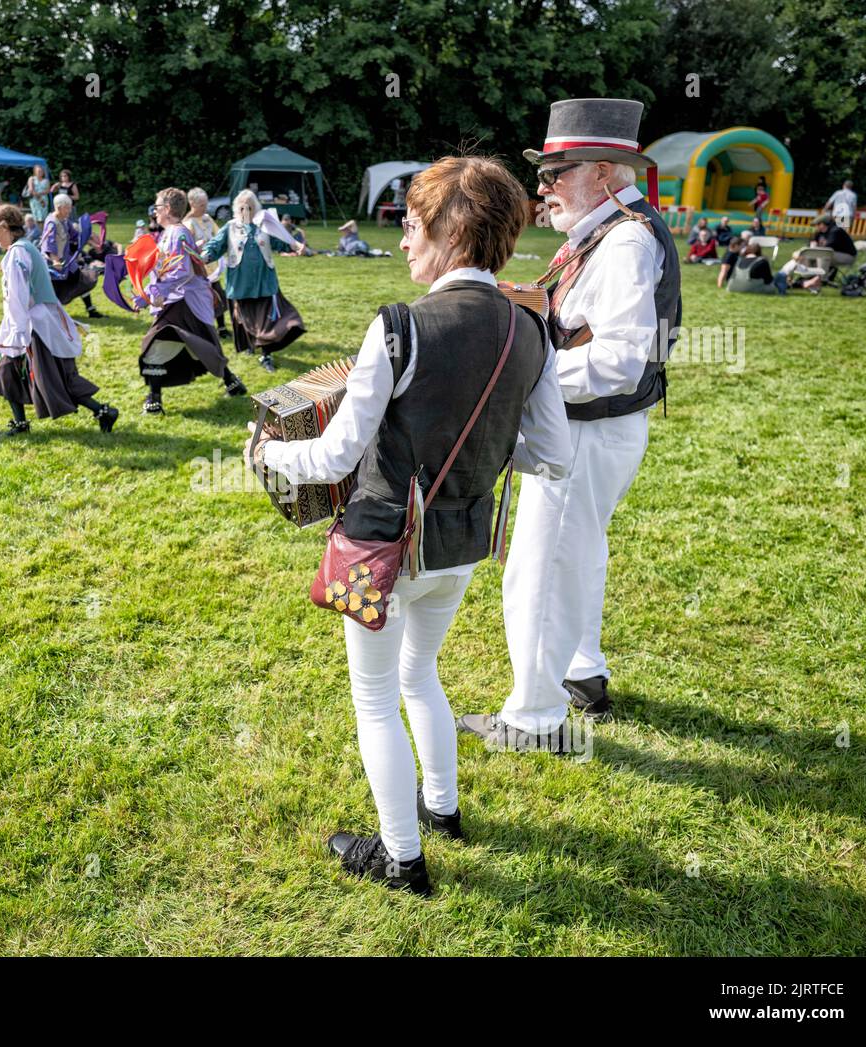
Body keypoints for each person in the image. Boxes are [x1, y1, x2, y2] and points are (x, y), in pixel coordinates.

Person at [248, 154, 571, 895]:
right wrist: (485, 441)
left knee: (374, 699)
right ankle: (443, 809)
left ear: (454, 233)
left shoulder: (399, 326)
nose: (402, 240)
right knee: (421, 674)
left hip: (382, 547)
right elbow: (552, 454)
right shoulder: (532, 332)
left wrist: (271, 450)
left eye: (415, 226)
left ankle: (402, 858)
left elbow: (336, 450)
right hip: (459, 549)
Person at [460, 97, 681, 746]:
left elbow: (617, 361)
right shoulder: (612, 232)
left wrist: (523, 383)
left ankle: (533, 718)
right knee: (576, 555)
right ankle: (583, 672)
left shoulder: (626, 243)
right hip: (595, 429)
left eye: (558, 173)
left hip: (587, 428)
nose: (543, 187)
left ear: (607, 176)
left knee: (541, 568)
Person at [0, 204, 118, 436]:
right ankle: (20, 424)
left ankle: (103, 411)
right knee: (10, 370)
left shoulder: (18, 253)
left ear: (5, 226)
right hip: (37, 321)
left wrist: (17, 333)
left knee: (54, 377)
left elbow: (18, 296)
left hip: (33, 325)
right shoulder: (23, 249)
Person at [135, 187, 247, 413]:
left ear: (167, 209)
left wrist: (154, 292)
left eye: (157, 207)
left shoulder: (177, 233)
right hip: (180, 299)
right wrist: (148, 290)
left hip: (185, 301)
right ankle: (232, 382)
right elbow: (165, 268)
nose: (154, 212)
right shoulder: (170, 233)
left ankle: (154, 399)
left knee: (156, 344)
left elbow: (181, 271)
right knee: (199, 344)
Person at [201, 189, 306, 374]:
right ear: (236, 208)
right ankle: (252, 345)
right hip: (241, 284)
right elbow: (216, 246)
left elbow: (281, 241)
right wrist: (206, 255)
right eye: (242, 207)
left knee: (267, 321)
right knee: (247, 319)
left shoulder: (265, 225)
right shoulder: (231, 227)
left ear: (256, 208)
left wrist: (295, 245)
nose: (245, 210)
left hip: (264, 282)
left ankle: (266, 354)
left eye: (249, 207)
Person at [40, 194, 102, 318]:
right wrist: (55, 260)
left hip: (67, 261)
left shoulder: (64, 220)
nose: (69, 211)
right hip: (55, 265)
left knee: (81, 278)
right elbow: (48, 243)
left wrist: (91, 241)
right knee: (57, 290)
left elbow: (75, 235)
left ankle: (90, 309)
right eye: (67, 208)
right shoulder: (52, 223)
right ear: (58, 207)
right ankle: (51, 313)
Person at [184, 187, 229, 338]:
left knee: (219, 298)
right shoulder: (187, 224)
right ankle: (203, 331)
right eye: (201, 205)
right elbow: (186, 248)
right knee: (205, 301)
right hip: (199, 271)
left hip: (213, 269)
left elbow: (220, 235)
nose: (205, 207)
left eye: (206, 204)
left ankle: (222, 328)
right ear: (192, 203)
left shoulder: (208, 219)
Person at [773, 216, 857, 293]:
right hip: (828, 254)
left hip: (847, 256)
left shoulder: (836, 231)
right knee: (807, 255)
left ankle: (821, 280)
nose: (815, 227)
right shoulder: (819, 233)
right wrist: (800, 252)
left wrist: (814, 247)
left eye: (817, 225)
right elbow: (809, 247)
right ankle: (807, 277)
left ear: (822, 224)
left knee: (823, 255)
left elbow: (828, 247)